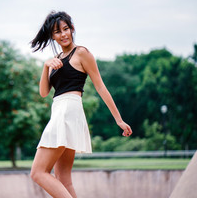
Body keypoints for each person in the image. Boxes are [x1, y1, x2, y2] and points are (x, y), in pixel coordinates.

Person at [30, 11, 132, 198]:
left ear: (72, 29)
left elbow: (100, 87)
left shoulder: (82, 53)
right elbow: (44, 93)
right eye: (57, 32)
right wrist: (46, 67)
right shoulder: (57, 59)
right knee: (63, 178)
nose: (63, 34)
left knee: (37, 172)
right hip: (60, 110)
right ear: (53, 36)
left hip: (68, 110)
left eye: (66, 29)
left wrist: (119, 120)